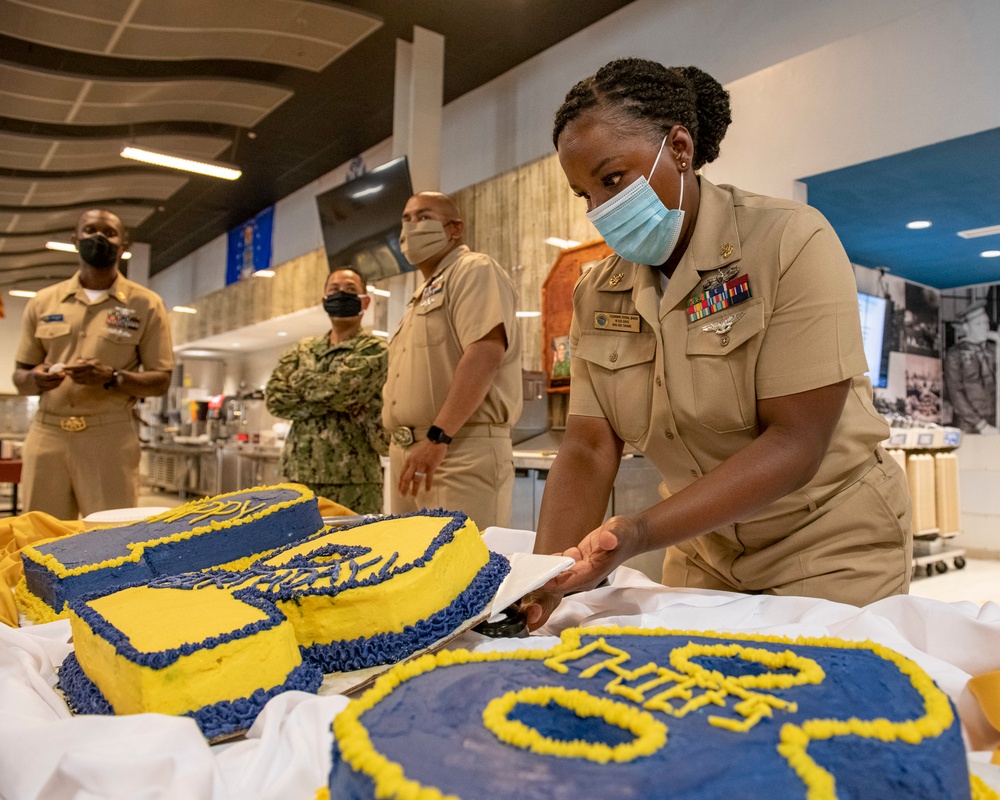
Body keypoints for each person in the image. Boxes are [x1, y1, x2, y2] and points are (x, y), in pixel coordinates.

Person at [523, 58, 912, 628]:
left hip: (828, 547)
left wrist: (641, 531)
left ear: (679, 148)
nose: (601, 211)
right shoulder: (597, 293)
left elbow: (796, 442)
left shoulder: (788, 242)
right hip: (705, 551)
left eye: (612, 180)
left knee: (819, 708)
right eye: (584, 194)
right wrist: (541, 580)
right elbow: (587, 447)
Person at [13, 209, 174, 519]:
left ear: (123, 245)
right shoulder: (43, 301)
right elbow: (19, 375)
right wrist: (35, 379)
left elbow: (161, 380)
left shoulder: (145, 304)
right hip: (47, 434)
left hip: (109, 437)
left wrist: (112, 376)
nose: (99, 237)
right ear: (76, 240)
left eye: (109, 233)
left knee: (109, 538)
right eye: (90, 230)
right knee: (39, 536)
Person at [383, 191, 522, 529]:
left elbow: (484, 354)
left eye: (424, 216)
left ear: (455, 228)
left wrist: (437, 438)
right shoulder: (422, 295)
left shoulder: (472, 269)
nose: (412, 226)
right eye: (406, 219)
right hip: (412, 454)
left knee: (460, 573)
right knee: (409, 570)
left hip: (457, 450)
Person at [265, 269, 388, 514]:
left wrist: (299, 380)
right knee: (296, 549)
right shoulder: (303, 348)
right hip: (298, 474)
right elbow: (276, 398)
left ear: (365, 301)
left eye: (350, 290)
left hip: (355, 478)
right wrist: (339, 397)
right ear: (324, 301)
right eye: (334, 290)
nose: (341, 294)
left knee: (359, 547)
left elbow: (340, 391)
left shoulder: (375, 349)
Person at [943, 301, 998, 434]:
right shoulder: (955, 354)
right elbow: (956, 394)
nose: (984, 327)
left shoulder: (992, 350)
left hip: (994, 420)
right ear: (966, 327)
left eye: (986, 322)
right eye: (978, 324)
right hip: (969, 425)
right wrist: (981, 425)